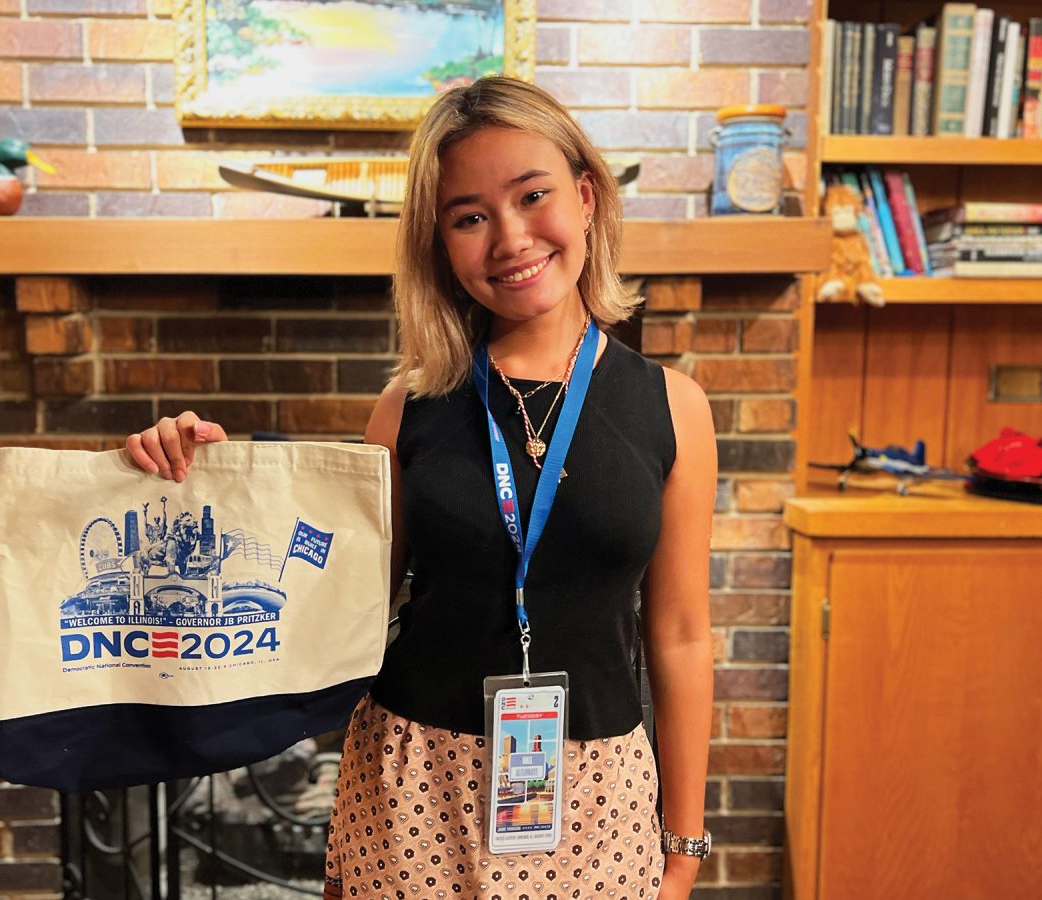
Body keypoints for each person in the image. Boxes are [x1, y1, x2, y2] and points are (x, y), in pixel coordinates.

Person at [126, 76, 715, 900]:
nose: (509, 237)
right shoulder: (408, 407)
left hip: (598, 796)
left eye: (532, 195)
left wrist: (682, 849)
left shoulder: (673, 408)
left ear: (585, 199)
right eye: (469, 217)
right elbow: (336, 604)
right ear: (440, 245)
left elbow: (683, 635)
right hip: (412, 782)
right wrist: (214, 488)